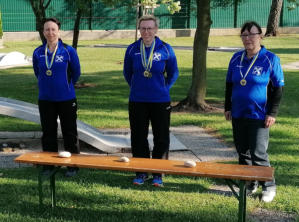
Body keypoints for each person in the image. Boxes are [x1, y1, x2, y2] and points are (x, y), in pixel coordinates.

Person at [224, 21, 284, 202]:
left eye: (252, 34)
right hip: (238, 113)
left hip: (259, 115)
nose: (248, 38)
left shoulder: (270, 59)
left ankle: (269, 186)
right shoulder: (236, 58)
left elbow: (278, 89)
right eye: (244, 35)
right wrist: (228, 107)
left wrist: (272, 113)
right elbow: (229, 84)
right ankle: (250, 183)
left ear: (261, 36)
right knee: (243, 152)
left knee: (258, 152)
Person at [123, 15, 179, 187]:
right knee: (138, 136)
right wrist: (136, 87)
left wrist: (163, 88)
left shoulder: (165, 49)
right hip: (137, 100)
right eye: (143, 28)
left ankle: (158, 173)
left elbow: (173, 72)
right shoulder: (132, 49)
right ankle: (141, 171)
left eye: (149, 28)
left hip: (160, 101)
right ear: (139, 30)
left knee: (161, 137)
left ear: (156, 29)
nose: (146, 31)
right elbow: (127, 72)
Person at [33, 17, 81, 177]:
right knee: (48, 132)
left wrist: (65, 86)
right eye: (47, 29)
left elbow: (76, 72)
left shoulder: (68, 51)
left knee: (70, 132)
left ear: (58, 31)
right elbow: (37, 72)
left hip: (66, 99)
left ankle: (73, 165)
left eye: (53, 29)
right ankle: (49, 165)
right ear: (43, 32)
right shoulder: (38, 52)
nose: (50, 32)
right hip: (46, 99)